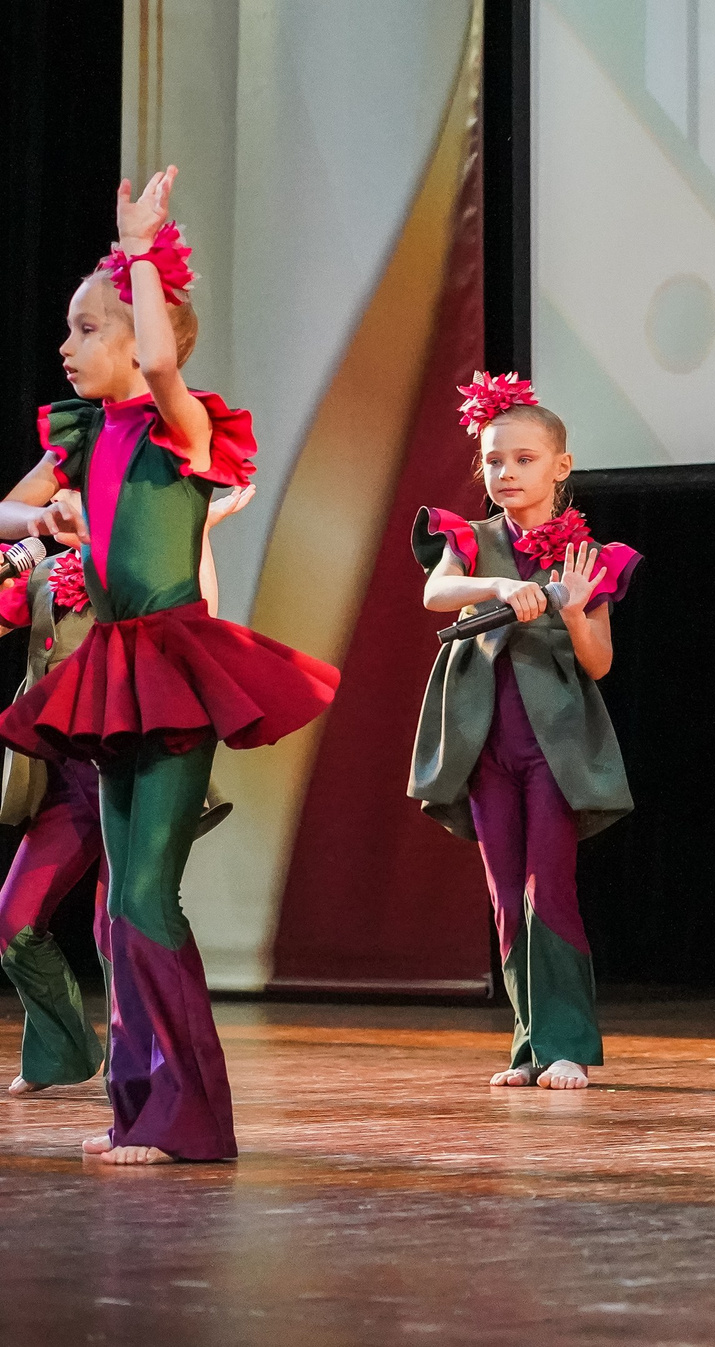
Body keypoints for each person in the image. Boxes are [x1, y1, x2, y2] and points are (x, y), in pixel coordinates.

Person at [0, 168, 338, 1163]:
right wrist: (46, 519)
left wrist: (140, 251)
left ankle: (189, 1118)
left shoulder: (181, 427)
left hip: (173, 665)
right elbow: (6, 512)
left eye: (87, 328)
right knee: (117, 913)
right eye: (68, 329)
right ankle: (135, 1108)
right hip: (111, 670)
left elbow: (155, 361)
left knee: (146, 895)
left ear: (149, 340)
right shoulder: (80, 438)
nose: (68, 346)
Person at [413, 373, 640, 1090]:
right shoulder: (471, 540)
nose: (506, 472)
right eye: (494, 460)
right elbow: (436, 591)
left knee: (549, 887)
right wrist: (499, 586)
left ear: (560, 466)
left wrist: (573, 610)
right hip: (485, 743)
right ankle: (530, 1044)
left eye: (524, 459)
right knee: (506, 892)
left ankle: (567, 1042)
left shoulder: (585, 555)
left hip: (554, 747)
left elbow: (598, 663)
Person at [0, 484, 250, 1095]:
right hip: (64, 781)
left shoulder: (149, 574)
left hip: (128, 773)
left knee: (118, 922)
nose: (67, 505)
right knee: (13, 920)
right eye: (63, 495)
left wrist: (197, 534)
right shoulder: (43, 575)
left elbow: (202, 624)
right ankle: (63, 1050)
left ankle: (137, 1065)